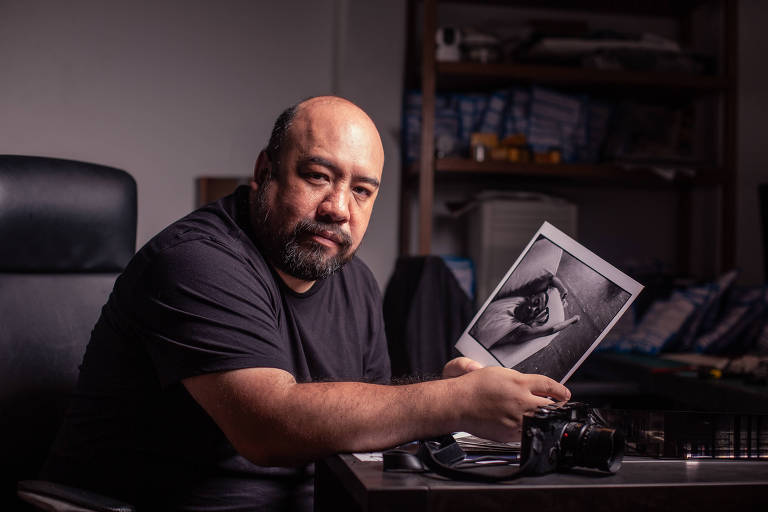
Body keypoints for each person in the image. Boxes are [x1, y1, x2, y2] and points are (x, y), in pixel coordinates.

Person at [42, 96, 570, 511]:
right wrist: (452, 405)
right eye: (318, 177)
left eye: (362, 191)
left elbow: (362, 414)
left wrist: (446, 390)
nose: (339, 208)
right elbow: (270, 426)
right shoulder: (195, 262)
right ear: (265, 170)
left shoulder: (354, 280)